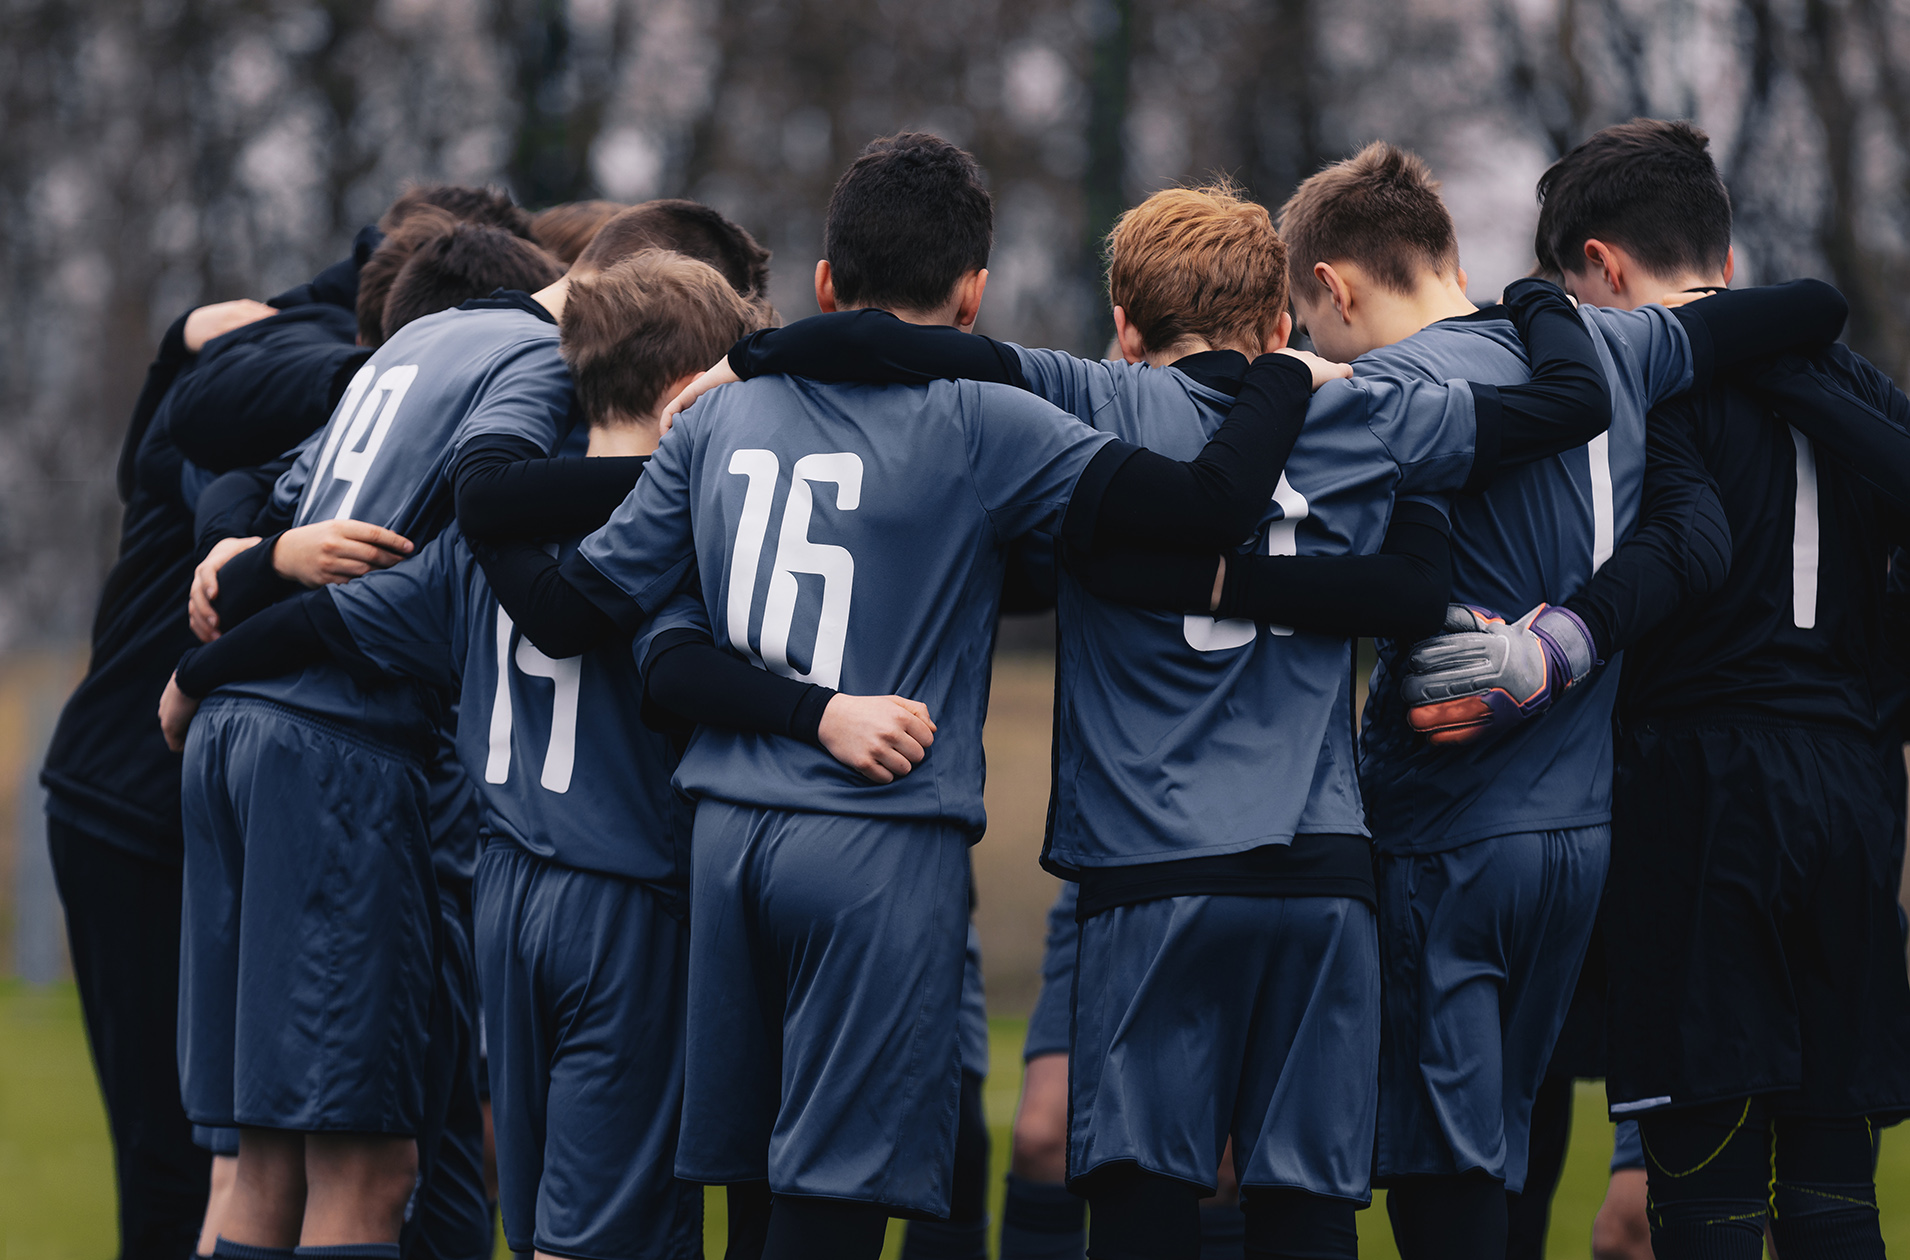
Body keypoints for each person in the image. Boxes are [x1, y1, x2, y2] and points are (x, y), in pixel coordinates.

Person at [472, 134, 1364, 1260]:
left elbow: (573, 615)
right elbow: (1195, 508)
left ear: (824, 283)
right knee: (832, 1204)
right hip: (872, 844)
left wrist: (477, 507)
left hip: (724, 840)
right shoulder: (980, 419)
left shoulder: (715, 417)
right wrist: (1283, 374)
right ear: (975, 293)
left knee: (744, 1198)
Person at [158, 249, 791, 1260]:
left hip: (510, 909)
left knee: (512, 1213)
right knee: (589, 1237)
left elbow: (328, 623)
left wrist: (199, 672)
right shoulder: (689, 534)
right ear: (689, 394)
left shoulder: (472, 543)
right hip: (624, 905)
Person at [1408, 117, 1910, 1259]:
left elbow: (1660, 551)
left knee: (1703, 1187)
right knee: (1835, 1185)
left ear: (1600, 269)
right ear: (1722, 261)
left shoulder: (1642, 385)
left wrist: (1546, 643)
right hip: (1850, 792)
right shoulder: (1841, 375)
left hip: (1695, 789)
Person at [38, 235, 373, 1260]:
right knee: (180, 1153)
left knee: (229, 1151)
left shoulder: (247, 352)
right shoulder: (273, 366)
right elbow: (190, 470)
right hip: (134, 805)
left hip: (176, 799)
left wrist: (173, 344)